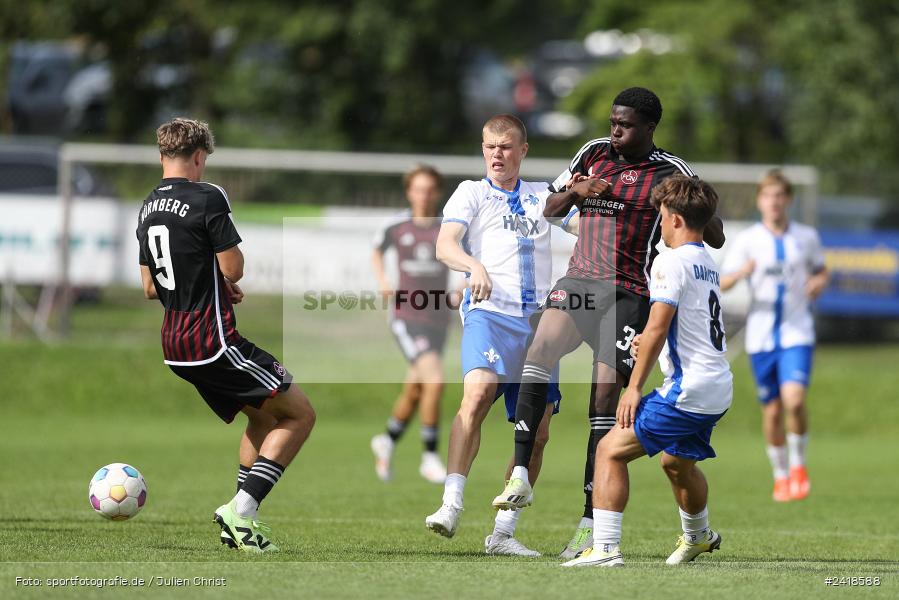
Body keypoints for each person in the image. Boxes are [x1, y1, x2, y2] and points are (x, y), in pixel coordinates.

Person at [492, 87, 725, 560]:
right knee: (538, 353)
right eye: (613, 121)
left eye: (625, 125)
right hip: (581, 279)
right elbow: (549, 209)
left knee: (602, 401)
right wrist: (577, 190)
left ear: (648, 127)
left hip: (628, 292)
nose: (615, 131)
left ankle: (588, 522)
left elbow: (711, 233)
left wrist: (699, 213)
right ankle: (520, 473)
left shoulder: (670, 170)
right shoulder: (594, 153)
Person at [136, 118, 316, 552]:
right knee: (300, 414)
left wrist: (211, 283)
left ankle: (237, 526)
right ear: (199, 156)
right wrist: (225, 278)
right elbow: (233, 267)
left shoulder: (146, 207)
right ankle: (242, 510)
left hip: (175, 346)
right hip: (211, 341)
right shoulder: (207, 194)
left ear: (162, 157)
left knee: (261, 416)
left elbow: (148, 287)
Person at [424, 114, 576, 557]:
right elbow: (445, 244)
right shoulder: (472, 192)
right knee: (477, 394)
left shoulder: (542, 196)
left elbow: (583, 227)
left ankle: (503, 533)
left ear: (522, 151)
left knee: (540, 430)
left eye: (506, 146)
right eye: (490, 146)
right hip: (490, 315)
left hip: (538, 325)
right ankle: (451, 504)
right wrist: (474, 266)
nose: (497, 154)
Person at [562, 175, 732, 567]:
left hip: (689, 389)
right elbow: (681, 326)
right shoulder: (706, 260)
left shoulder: (669, 261)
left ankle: (604, 549)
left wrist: (634, 387)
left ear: (673, 219)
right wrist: (651, 340)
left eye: (660, 215)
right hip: (717, 386)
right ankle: (699, 536)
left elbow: (657, 327)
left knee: (610, 450)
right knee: (676, 463)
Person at [720, 169, 828, 502]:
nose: (774, 202)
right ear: (760, 200)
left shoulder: (805, 237)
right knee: (772, 410)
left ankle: (798, 466)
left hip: (797, 332)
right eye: (768, 196)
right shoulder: (749, 239)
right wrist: (742, 272)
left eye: (780, 195)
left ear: (789, 200)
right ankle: (780, 475)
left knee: (794, 401)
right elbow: (722, 283)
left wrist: (818, 282)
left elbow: (821, 269)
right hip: (761, 336)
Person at [370, 165, 451, 485]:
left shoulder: (448, 225)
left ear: (438, 192)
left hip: (438, 317)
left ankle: (387, 439)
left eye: (430, 189)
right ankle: (429, 456)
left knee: (417, 388)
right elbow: (376, 251)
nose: (424, 195)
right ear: (409, 192)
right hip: (406, 317)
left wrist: (466, 284)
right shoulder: (396, 225)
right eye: (418, 189)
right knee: (435, 381)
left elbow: (469, 256)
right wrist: (383, 280)